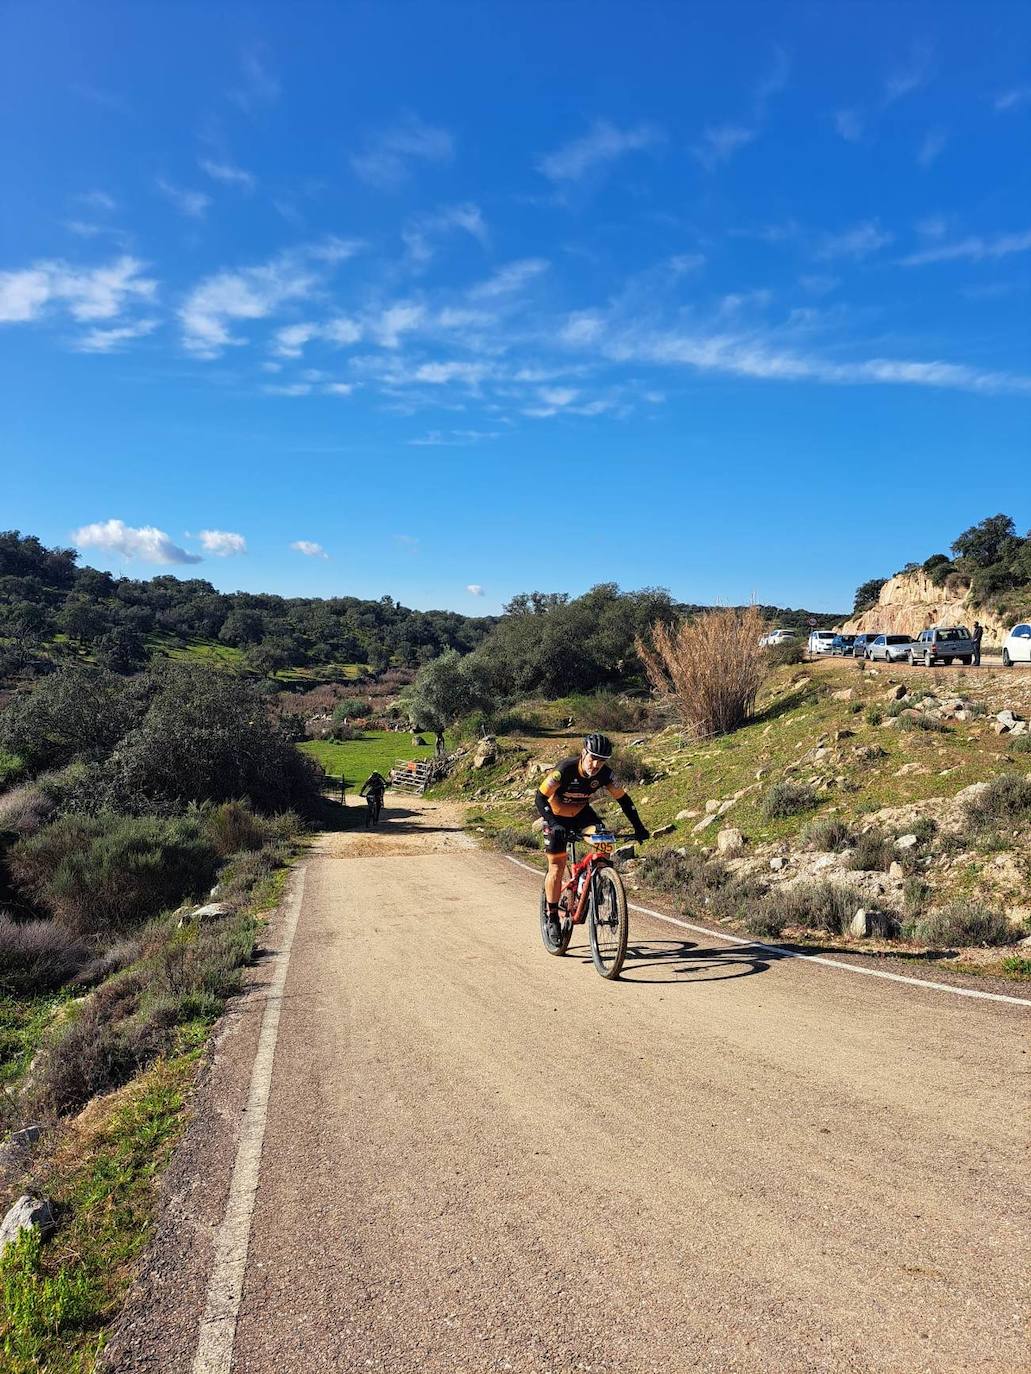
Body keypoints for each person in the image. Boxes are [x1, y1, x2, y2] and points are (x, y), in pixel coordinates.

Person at [535, 733, 649, 941]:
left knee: (604, 844)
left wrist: (639, 827)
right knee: (557, 866)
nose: (596, 764)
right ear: (583, 753)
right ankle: (552, 916)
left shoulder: (606, 775)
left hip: (581, 815)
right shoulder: (565, 770)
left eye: (601, 760)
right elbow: (540, 796)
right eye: (592, 758)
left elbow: (625, 801)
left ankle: (590, 883)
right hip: (556, 818)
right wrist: (553, 823)